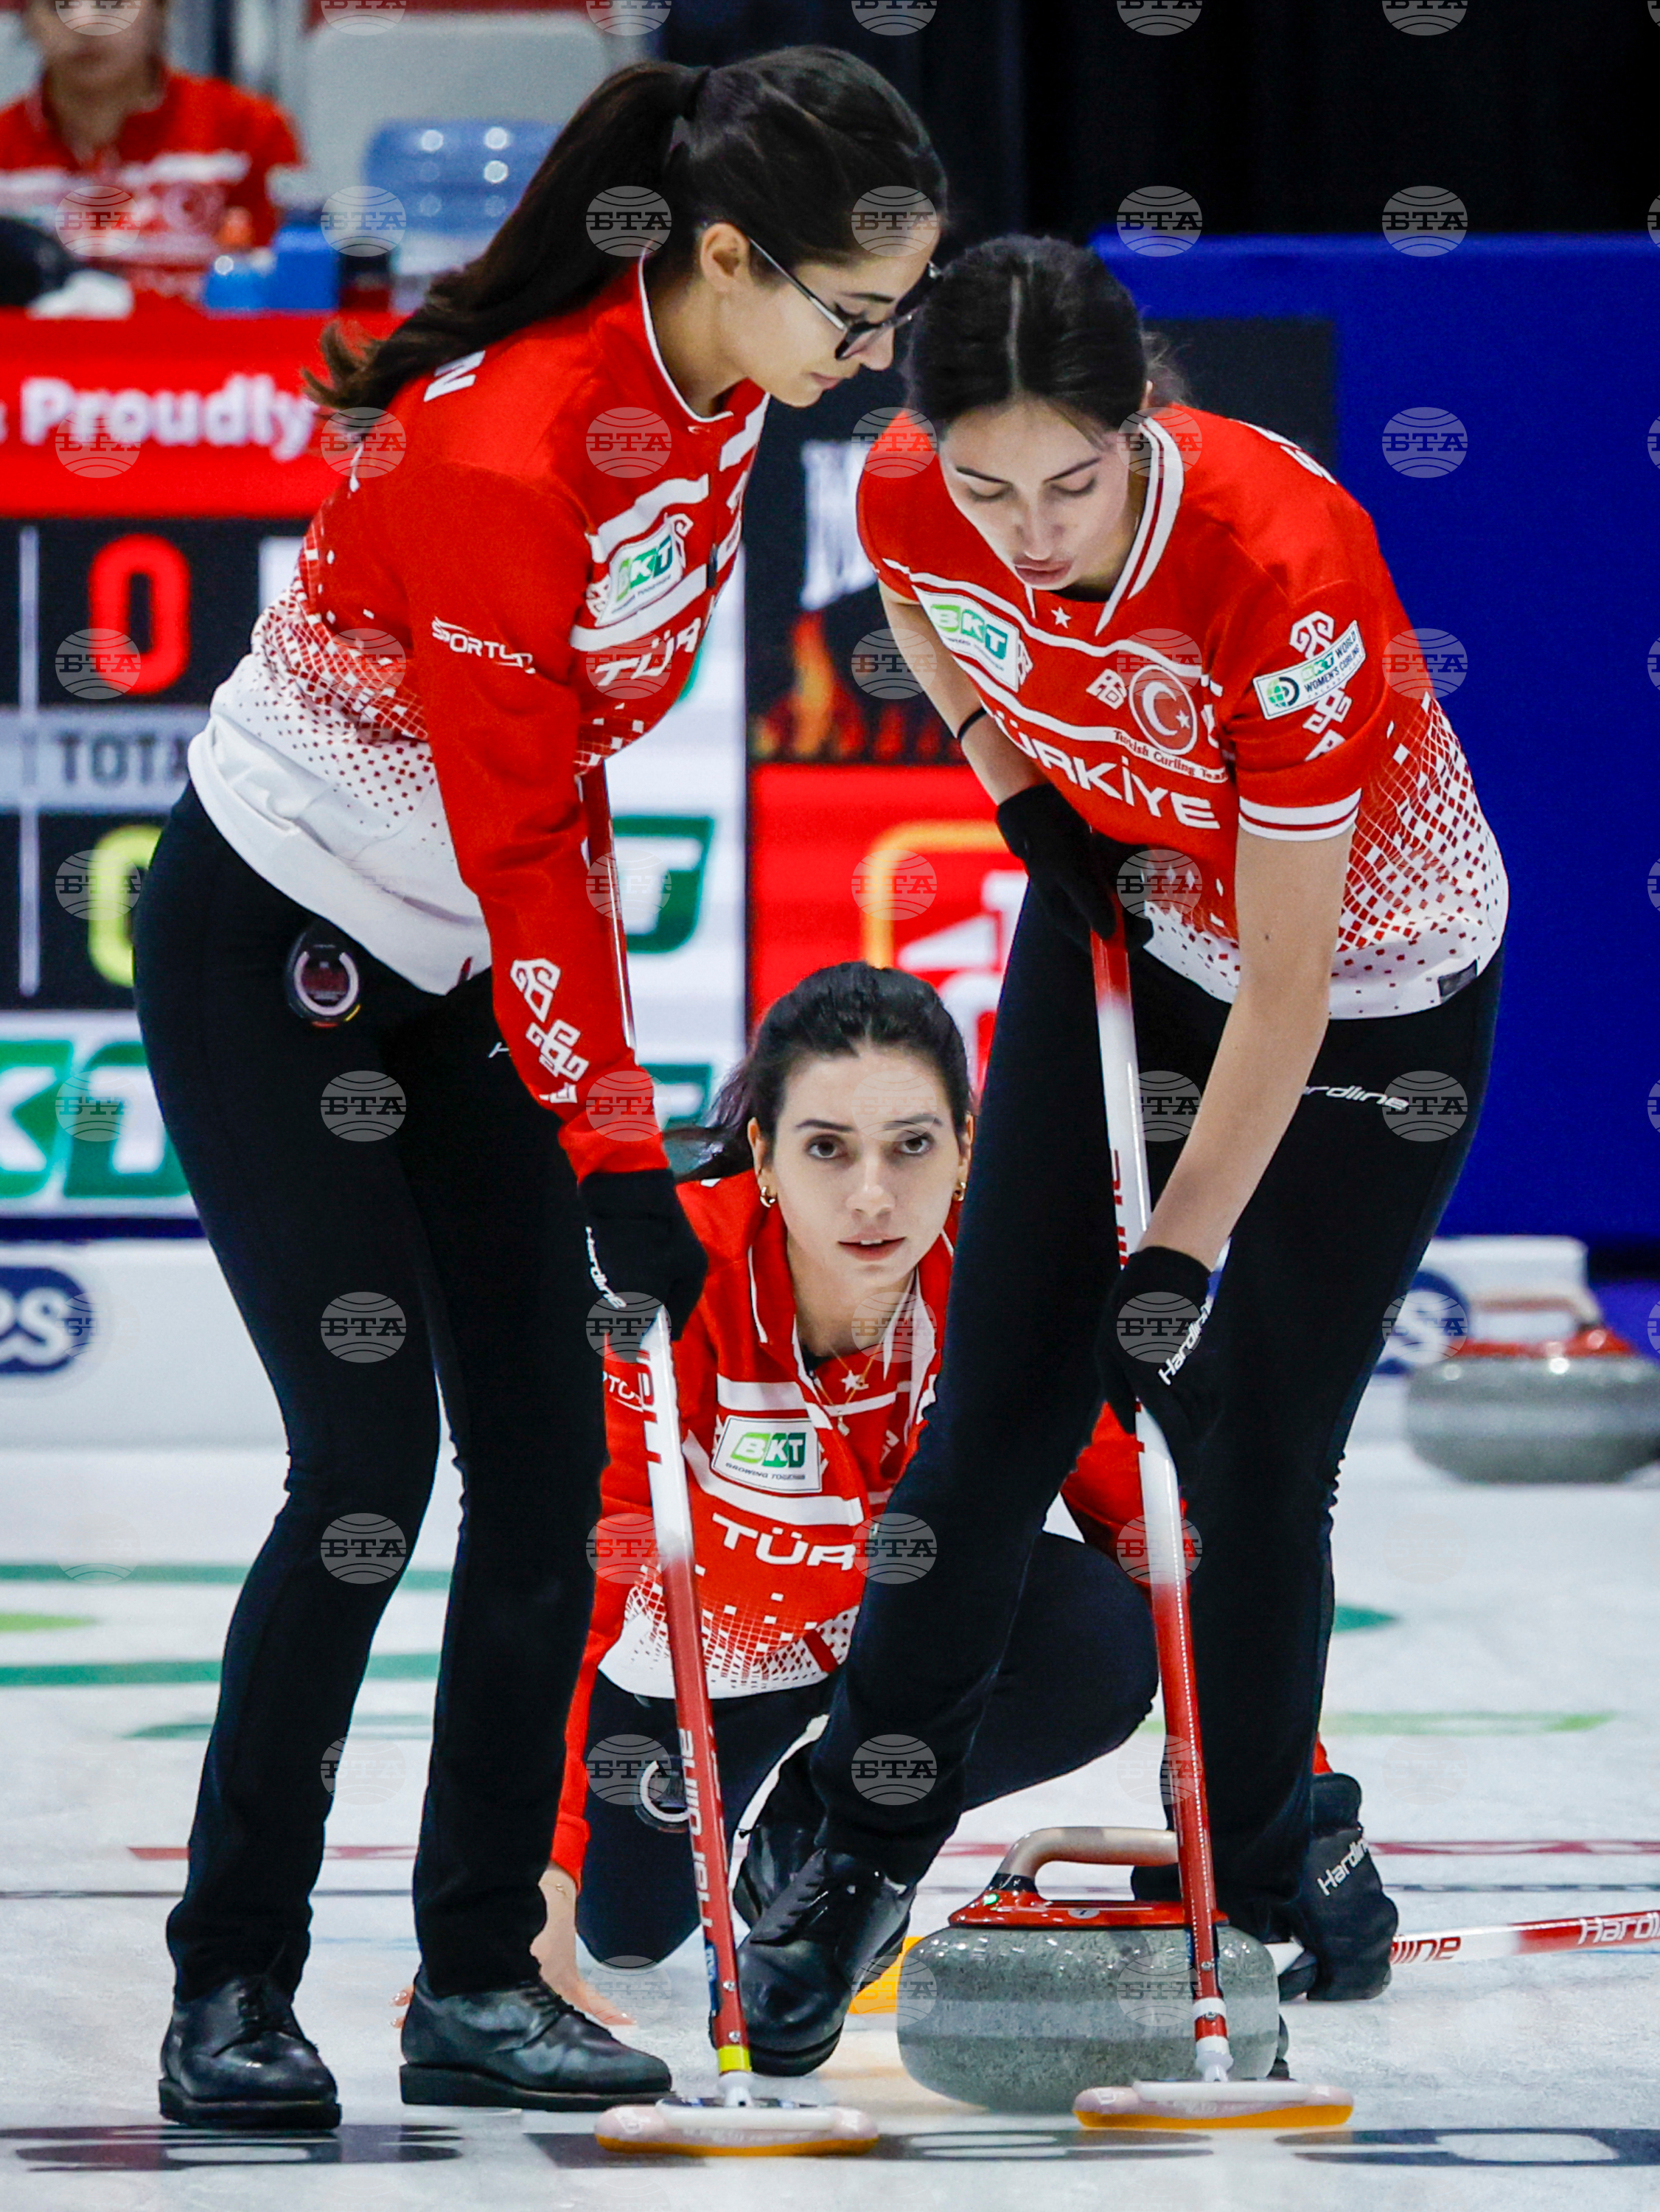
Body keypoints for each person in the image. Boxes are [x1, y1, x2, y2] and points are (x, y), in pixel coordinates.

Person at [130, 49, 943, 2129]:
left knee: (555, 1467)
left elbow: (562, 790)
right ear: (732, 257)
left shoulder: (732, 395)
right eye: (855, 316)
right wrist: (611, 1141)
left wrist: (594, 1107)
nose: (869, 365)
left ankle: (478, 1976)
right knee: (363, 1481)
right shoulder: (506, 451)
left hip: (463, 947)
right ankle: (229, 1986)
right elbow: (509, 827)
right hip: (283, 949)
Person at [738, 235, 1505, 2072]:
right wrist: (1016, 782)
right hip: (1136, 907)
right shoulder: (920, 487)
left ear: (1139, 416)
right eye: (988, 481)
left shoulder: (1277, 562)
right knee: (1000, 1389)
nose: (1024, 526)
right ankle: (854, 1829)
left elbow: (1299, 977)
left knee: (1256, 1440)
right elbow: (924, 613)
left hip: (1367, 989)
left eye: (1068, 483)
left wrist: (1174, 1248)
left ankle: (1251, 1858)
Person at [531, 964, 1158, 2011]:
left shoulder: (1008, 1286)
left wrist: (1294, 1799)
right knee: (628, 1930)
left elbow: (1148, 1529)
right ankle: (721, 1812)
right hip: (704, 1656)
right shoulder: (675, 1287)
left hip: (913, 1645)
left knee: (1102, 1636)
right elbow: (575, 1589)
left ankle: (830, 1814)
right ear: (767, 1160)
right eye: (827, 1148)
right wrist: (535, 1889)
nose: (873, 1196)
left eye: (912, 1145)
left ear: (965, 1149)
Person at [0, 0, 300, 304]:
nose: (85, 23)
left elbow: (290, 299)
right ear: (25, 17)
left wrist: (130, 304)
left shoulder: (248, 133)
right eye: (57, 6)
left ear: (162, 10)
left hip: (208, 350)